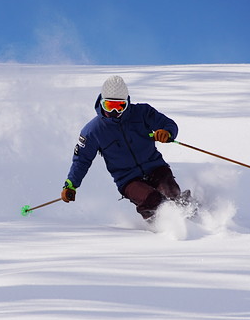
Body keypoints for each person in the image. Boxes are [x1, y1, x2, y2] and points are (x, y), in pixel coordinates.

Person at [61, 75, 187, 220]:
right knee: (153, 200)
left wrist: (167, 132)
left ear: (127, 102)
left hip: (155, 167)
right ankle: (164, 226)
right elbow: (81, 160)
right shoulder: (93, 131)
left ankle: (190, 212)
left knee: (171, 192)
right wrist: (71, 185)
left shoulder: (142, 113)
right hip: (128, 179)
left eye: (120, 106)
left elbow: (169, 124)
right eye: (109, 106)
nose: (114, 112)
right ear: (101, 103)